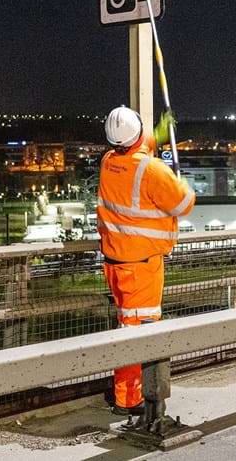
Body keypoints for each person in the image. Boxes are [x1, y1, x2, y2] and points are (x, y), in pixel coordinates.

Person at [97, 106, 195, 415]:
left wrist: (158, 138)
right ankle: (129, 400)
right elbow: (184, 204)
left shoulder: (109, 161)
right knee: (139, 332)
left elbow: (135, 150)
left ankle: (124, 391)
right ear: (138, 132)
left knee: (126, 325)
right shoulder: (152, 171)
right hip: (141, 266)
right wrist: (178, 178)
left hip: (114, 260)